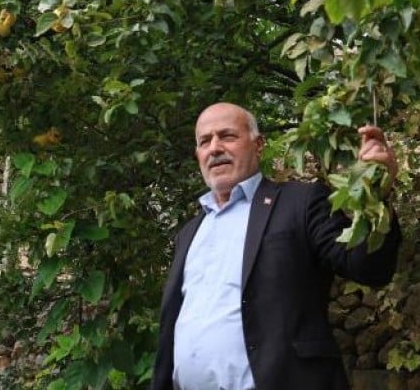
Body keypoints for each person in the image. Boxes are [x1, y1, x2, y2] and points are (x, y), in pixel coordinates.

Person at [151, 102, 402, 390]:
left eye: (227, 136)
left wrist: (376, 193)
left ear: (258, 145)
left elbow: (369, 267)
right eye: (204, 141)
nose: (215, 147)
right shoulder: (189, 233)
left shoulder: (300, 203)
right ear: (198, 155)